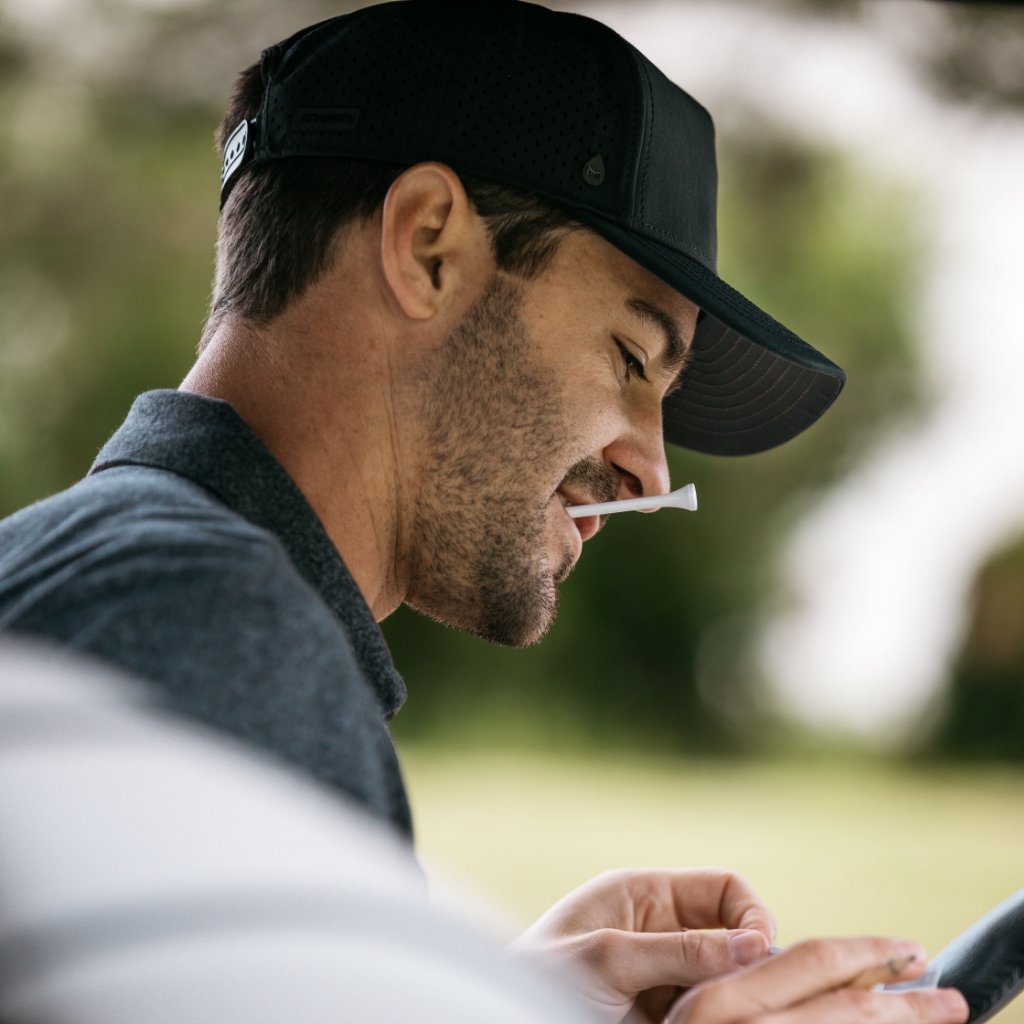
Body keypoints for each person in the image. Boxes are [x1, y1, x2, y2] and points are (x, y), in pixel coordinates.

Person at [0, 3, 969, 1023]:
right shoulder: (220, 637)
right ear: (427, 245)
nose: (648, 467)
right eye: (631, 359)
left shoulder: (92, 578)